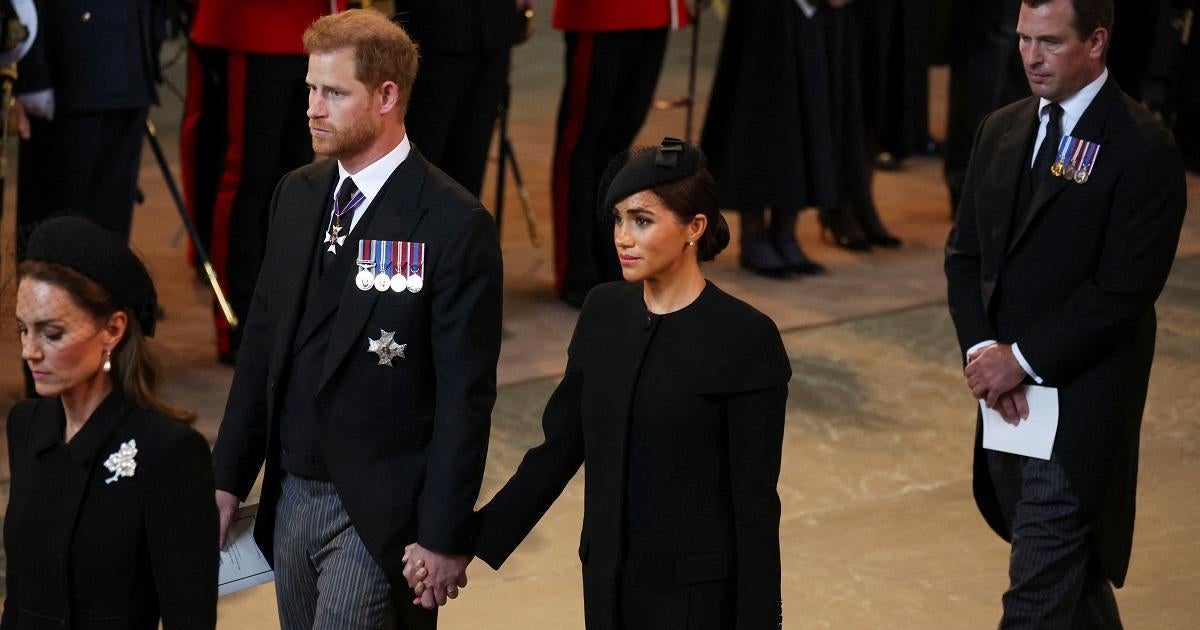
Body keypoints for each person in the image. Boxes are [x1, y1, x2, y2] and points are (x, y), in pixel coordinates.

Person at [408, 139, 791, 628]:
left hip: (696, 605)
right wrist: (464, 541)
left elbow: (755, 508)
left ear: (695, 228)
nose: (623, 238)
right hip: (607, 591)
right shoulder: (603, 312)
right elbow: (559, 449)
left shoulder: (745, 339)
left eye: (642, 220)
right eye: (618, 219)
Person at [210, 9, 502, 629]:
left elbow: (464, 395)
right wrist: (227, 478)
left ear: (387, 96)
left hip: (379, 512)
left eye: (334, 93)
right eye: (311, 89)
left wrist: (444, 533)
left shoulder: (452, 223)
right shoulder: (297, 193)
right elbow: (262, 344)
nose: (313, 108)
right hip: (288, 493)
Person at [945, 0, 1187, 626]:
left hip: (1081, 410)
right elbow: (964, 257)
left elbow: (1121, 293)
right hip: (1006, 406)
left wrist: (1020, 359)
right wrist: (981, 355)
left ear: (1097, 42)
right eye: (1024, 39)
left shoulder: (1143, 149)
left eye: (1049, 42)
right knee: (1068, 585)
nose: (1030, 56)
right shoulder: (999, 128)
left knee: (1035, 595)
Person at [4, 216, 218, 628]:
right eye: (22, 330)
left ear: (113, 330)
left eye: (51, 333)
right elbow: (17, 599)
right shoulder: (26, 426)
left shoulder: (168, 452)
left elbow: (189, 616)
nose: (30, 352)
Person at [182, 0, 346, 364]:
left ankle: (285, 312)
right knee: (246, 180)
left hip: (313, 31)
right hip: (253, 27)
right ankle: (238, 319)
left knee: (296, 182)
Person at [550, 0, 692, 306]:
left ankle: (611, 257)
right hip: (602, 12)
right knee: (582, 144)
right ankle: (577, 266)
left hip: (652, 12)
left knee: (618, 144)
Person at [14, 0, 165, 254]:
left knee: (110, 237)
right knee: (55, 236)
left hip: (132, 60)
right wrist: (31, 70)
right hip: (68, 73)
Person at [394, 0, 529, 198]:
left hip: (493, 29)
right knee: (420, 161)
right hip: (431, 32)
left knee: (471, 164)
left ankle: (464, 228)